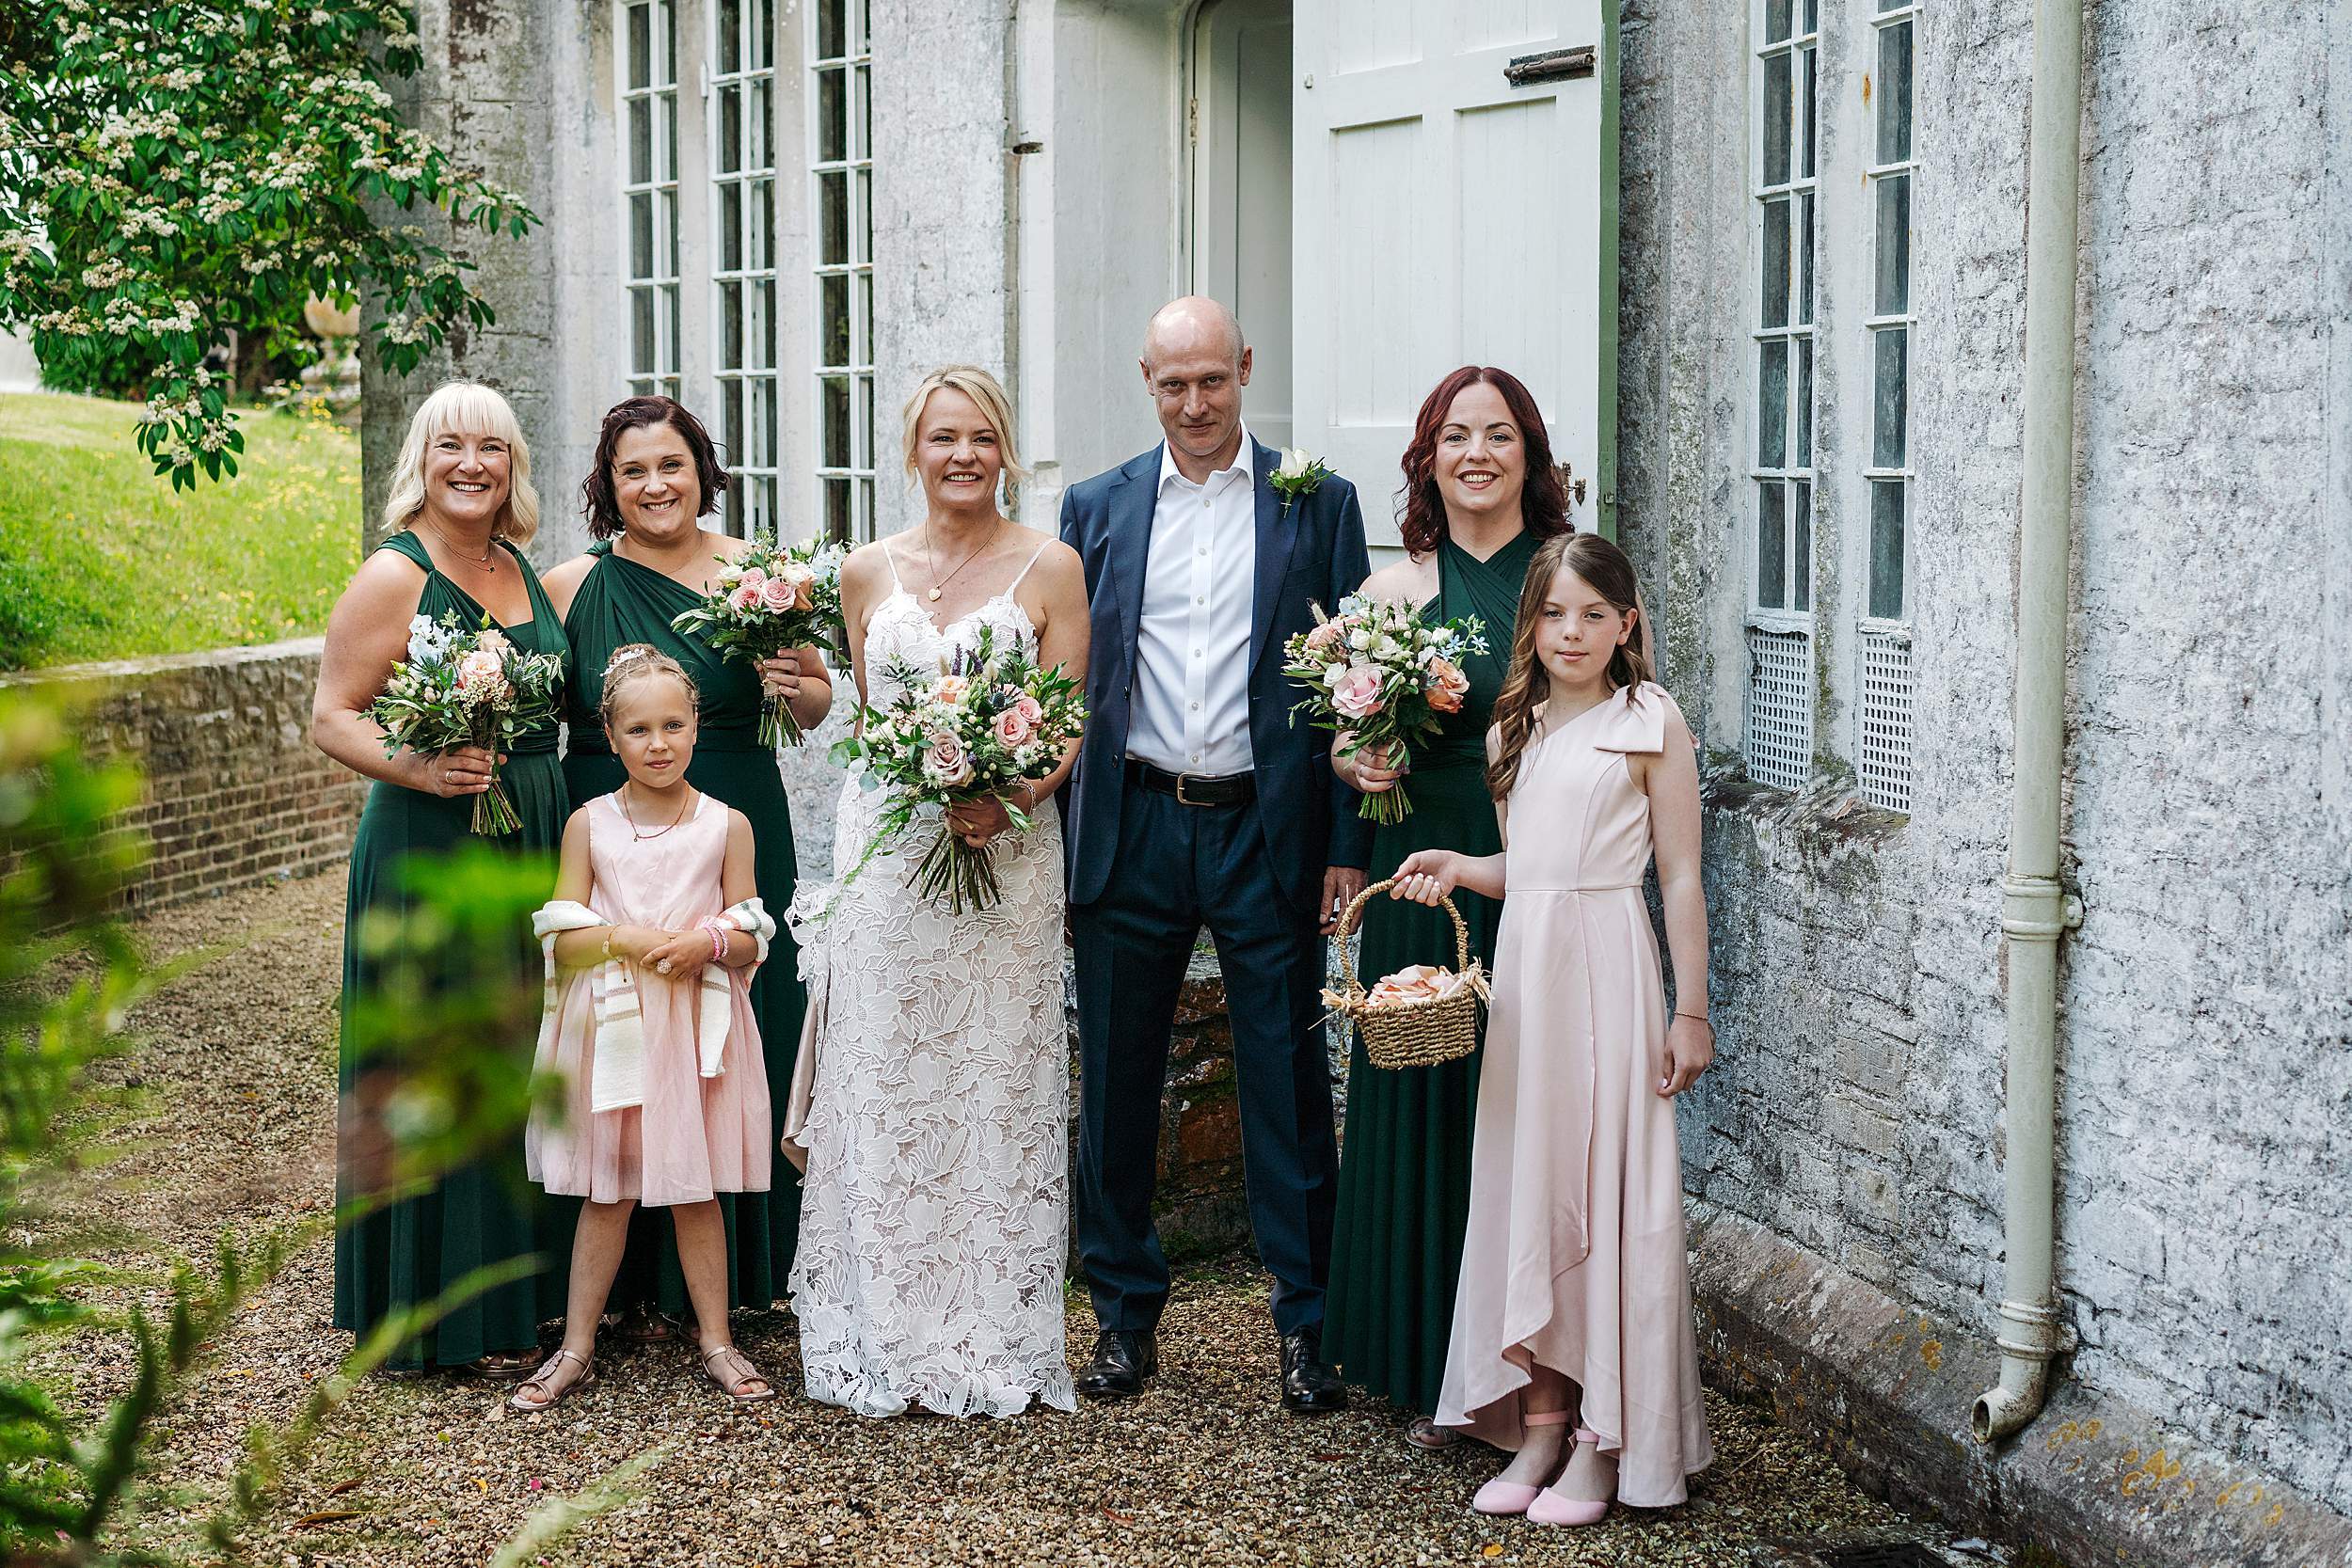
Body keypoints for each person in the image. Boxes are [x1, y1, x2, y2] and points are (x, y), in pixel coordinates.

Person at [1059, 296, 1371, 1412]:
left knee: (1286, 1080)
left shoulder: (1317, 502)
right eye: (1172, 384)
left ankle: (1307, 1324)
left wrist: (1345, 843)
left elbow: (1355, 692)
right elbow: (1066, 679)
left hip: (1263, 825)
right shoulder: (1094, 506)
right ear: (1146, 381)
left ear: (1243, 368)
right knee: (1116, 1079)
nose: (1194, 404)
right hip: (1132, 823)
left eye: (1211, 380)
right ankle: (1122, 1317)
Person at [1389, 532, 1715, 1522]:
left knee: (1603, 1190)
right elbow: (1528, 869)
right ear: (1530, 623)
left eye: (1593, 614)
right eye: (1553, 612)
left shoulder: (1650, 720)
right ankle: (1539, 1422)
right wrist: (1459, 865)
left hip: (1610, 972)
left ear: (1626, 623)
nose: (1571, 632)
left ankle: (1604, 1437)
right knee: (1530, 1186)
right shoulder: (1512, 731)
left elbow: (1679, 876)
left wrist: (1691, 1009)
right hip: (1529, 984)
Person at [785, 365, 1089, 1418]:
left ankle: (993, 1327)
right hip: (889, 851)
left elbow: (1066, 721)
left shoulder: (1052, 566)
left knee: (993, 1072)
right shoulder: (864, 570)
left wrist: (1009, 796)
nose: (963, 455)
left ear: (1006, 449)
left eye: (982, 436)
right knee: (887, 1068)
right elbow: (877, 724)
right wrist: (931, 774)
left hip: (1009, 853)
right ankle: (884, 1326)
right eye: (943, 437)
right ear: (912, 450)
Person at [542, 396, 832, 1342]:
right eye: (633, 470)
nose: (655, 484)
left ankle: (745, 1271)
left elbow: (818, 696)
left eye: (672, 464)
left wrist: (797, 686)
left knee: (737, 1016)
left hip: (734, 812)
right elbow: (528, 710)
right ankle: (613, 1285)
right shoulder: (569, 586)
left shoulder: (758, 575)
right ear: (607, 484)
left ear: (703, 471)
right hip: (607, 821)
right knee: (612, 1022)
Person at [1324, 367, 1573, 1448]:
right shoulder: (1391, 591)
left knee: (1521, 1108)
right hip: (1418, 872)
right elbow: (1345, 739)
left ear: (1530, 453)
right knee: (1423, 1099)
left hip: (1529, 864)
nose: (1477, 454)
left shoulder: (1566, 575)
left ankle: (1532, 1375)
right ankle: (1433, 1365)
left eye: (1499, 434)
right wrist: (1360, 759)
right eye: (1456, 436)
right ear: (1426, 456)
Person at [311, 381, 570, 1376]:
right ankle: (430, 1309)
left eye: (492, 448)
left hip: (528, 832)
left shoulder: (517, 563)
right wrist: (420, 767)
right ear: (420, 461)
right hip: (430, 840)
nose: (472, 464)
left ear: (513, 467)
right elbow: (332, 714)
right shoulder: (395, 573)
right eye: (451, 445)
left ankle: (519, 1295)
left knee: (519, 1045)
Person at [512, 645, 777, 1411]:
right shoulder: (589, 825)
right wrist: (624, 936)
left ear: (696, 725)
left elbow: (753, 933)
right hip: (615, 1031)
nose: (658, 743)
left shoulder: (727, 825)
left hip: (693, 1030)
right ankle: (576, 1347)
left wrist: (709, 942)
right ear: (610, 735)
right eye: (638, 729)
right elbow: (563, 939)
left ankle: (717, 1340)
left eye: (672, 725)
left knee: (696, 1191)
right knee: (609, 1192)